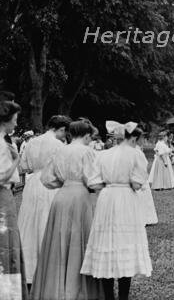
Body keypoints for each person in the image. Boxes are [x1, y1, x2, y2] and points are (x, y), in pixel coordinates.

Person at [31, 119, 103, 300]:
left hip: (62, 196)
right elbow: (93, 180)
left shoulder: (60, 150)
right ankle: (77, 287)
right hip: (80, 197)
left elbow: (47, 179)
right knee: (80, 238)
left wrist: (64, 182)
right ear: (87, 135)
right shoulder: (87, 152)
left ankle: (56, 287)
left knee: (59, 239)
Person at [81, 123, 152, 300]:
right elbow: (137, 183)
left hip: (107, 198)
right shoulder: (136, 154)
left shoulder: (103, 154)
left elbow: (94, 183)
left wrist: (109, 184)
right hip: (125, 198)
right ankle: (123, 297)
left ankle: (108, 297)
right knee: (124, 243)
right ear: (133, 138)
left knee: (107, 243)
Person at [17, 114, 68, 285]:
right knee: (47, 223)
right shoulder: (58, 145)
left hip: (32, 185)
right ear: (60, 129)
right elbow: (62, 170)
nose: (64, 135)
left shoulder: (32, 142)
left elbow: (24, 167)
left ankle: (29, 269)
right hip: (50, 184)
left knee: (30, 225)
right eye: (64, 132)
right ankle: (48, 269)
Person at [0, 96, 28, 299]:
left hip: (5, 196)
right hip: (2, 197)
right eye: (15, 119)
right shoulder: (2, 144)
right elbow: (1, 177)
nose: (16, 123)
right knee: (6, 243)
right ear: (6, 119)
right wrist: (16, 159)